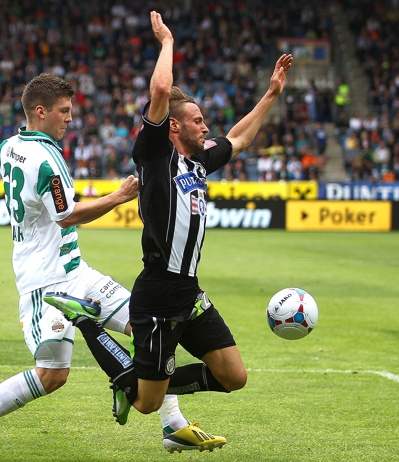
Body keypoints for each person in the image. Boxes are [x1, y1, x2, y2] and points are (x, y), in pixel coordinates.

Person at [0, 72, 214, 462]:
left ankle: (172, 426)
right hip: (46, 283)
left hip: (78, 271)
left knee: (148, 330)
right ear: (40, 112)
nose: (70, 118)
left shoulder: (9, 147)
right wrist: (120, 196)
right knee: (53, 375)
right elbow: (67, 217)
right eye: (63, 111)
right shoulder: (46, 160)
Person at [45, 10, 292, 451]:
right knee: (143, 403)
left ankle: (143, 378)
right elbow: (161, 89)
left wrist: (271, 95)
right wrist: (166, 42)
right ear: (174, 126)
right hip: (158, 292)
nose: (207, 127)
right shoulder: (156, 157)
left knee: (233, 377)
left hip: (189, 293)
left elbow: (241, 138)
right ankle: (89, 324)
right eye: (199, 121)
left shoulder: (199, 161)